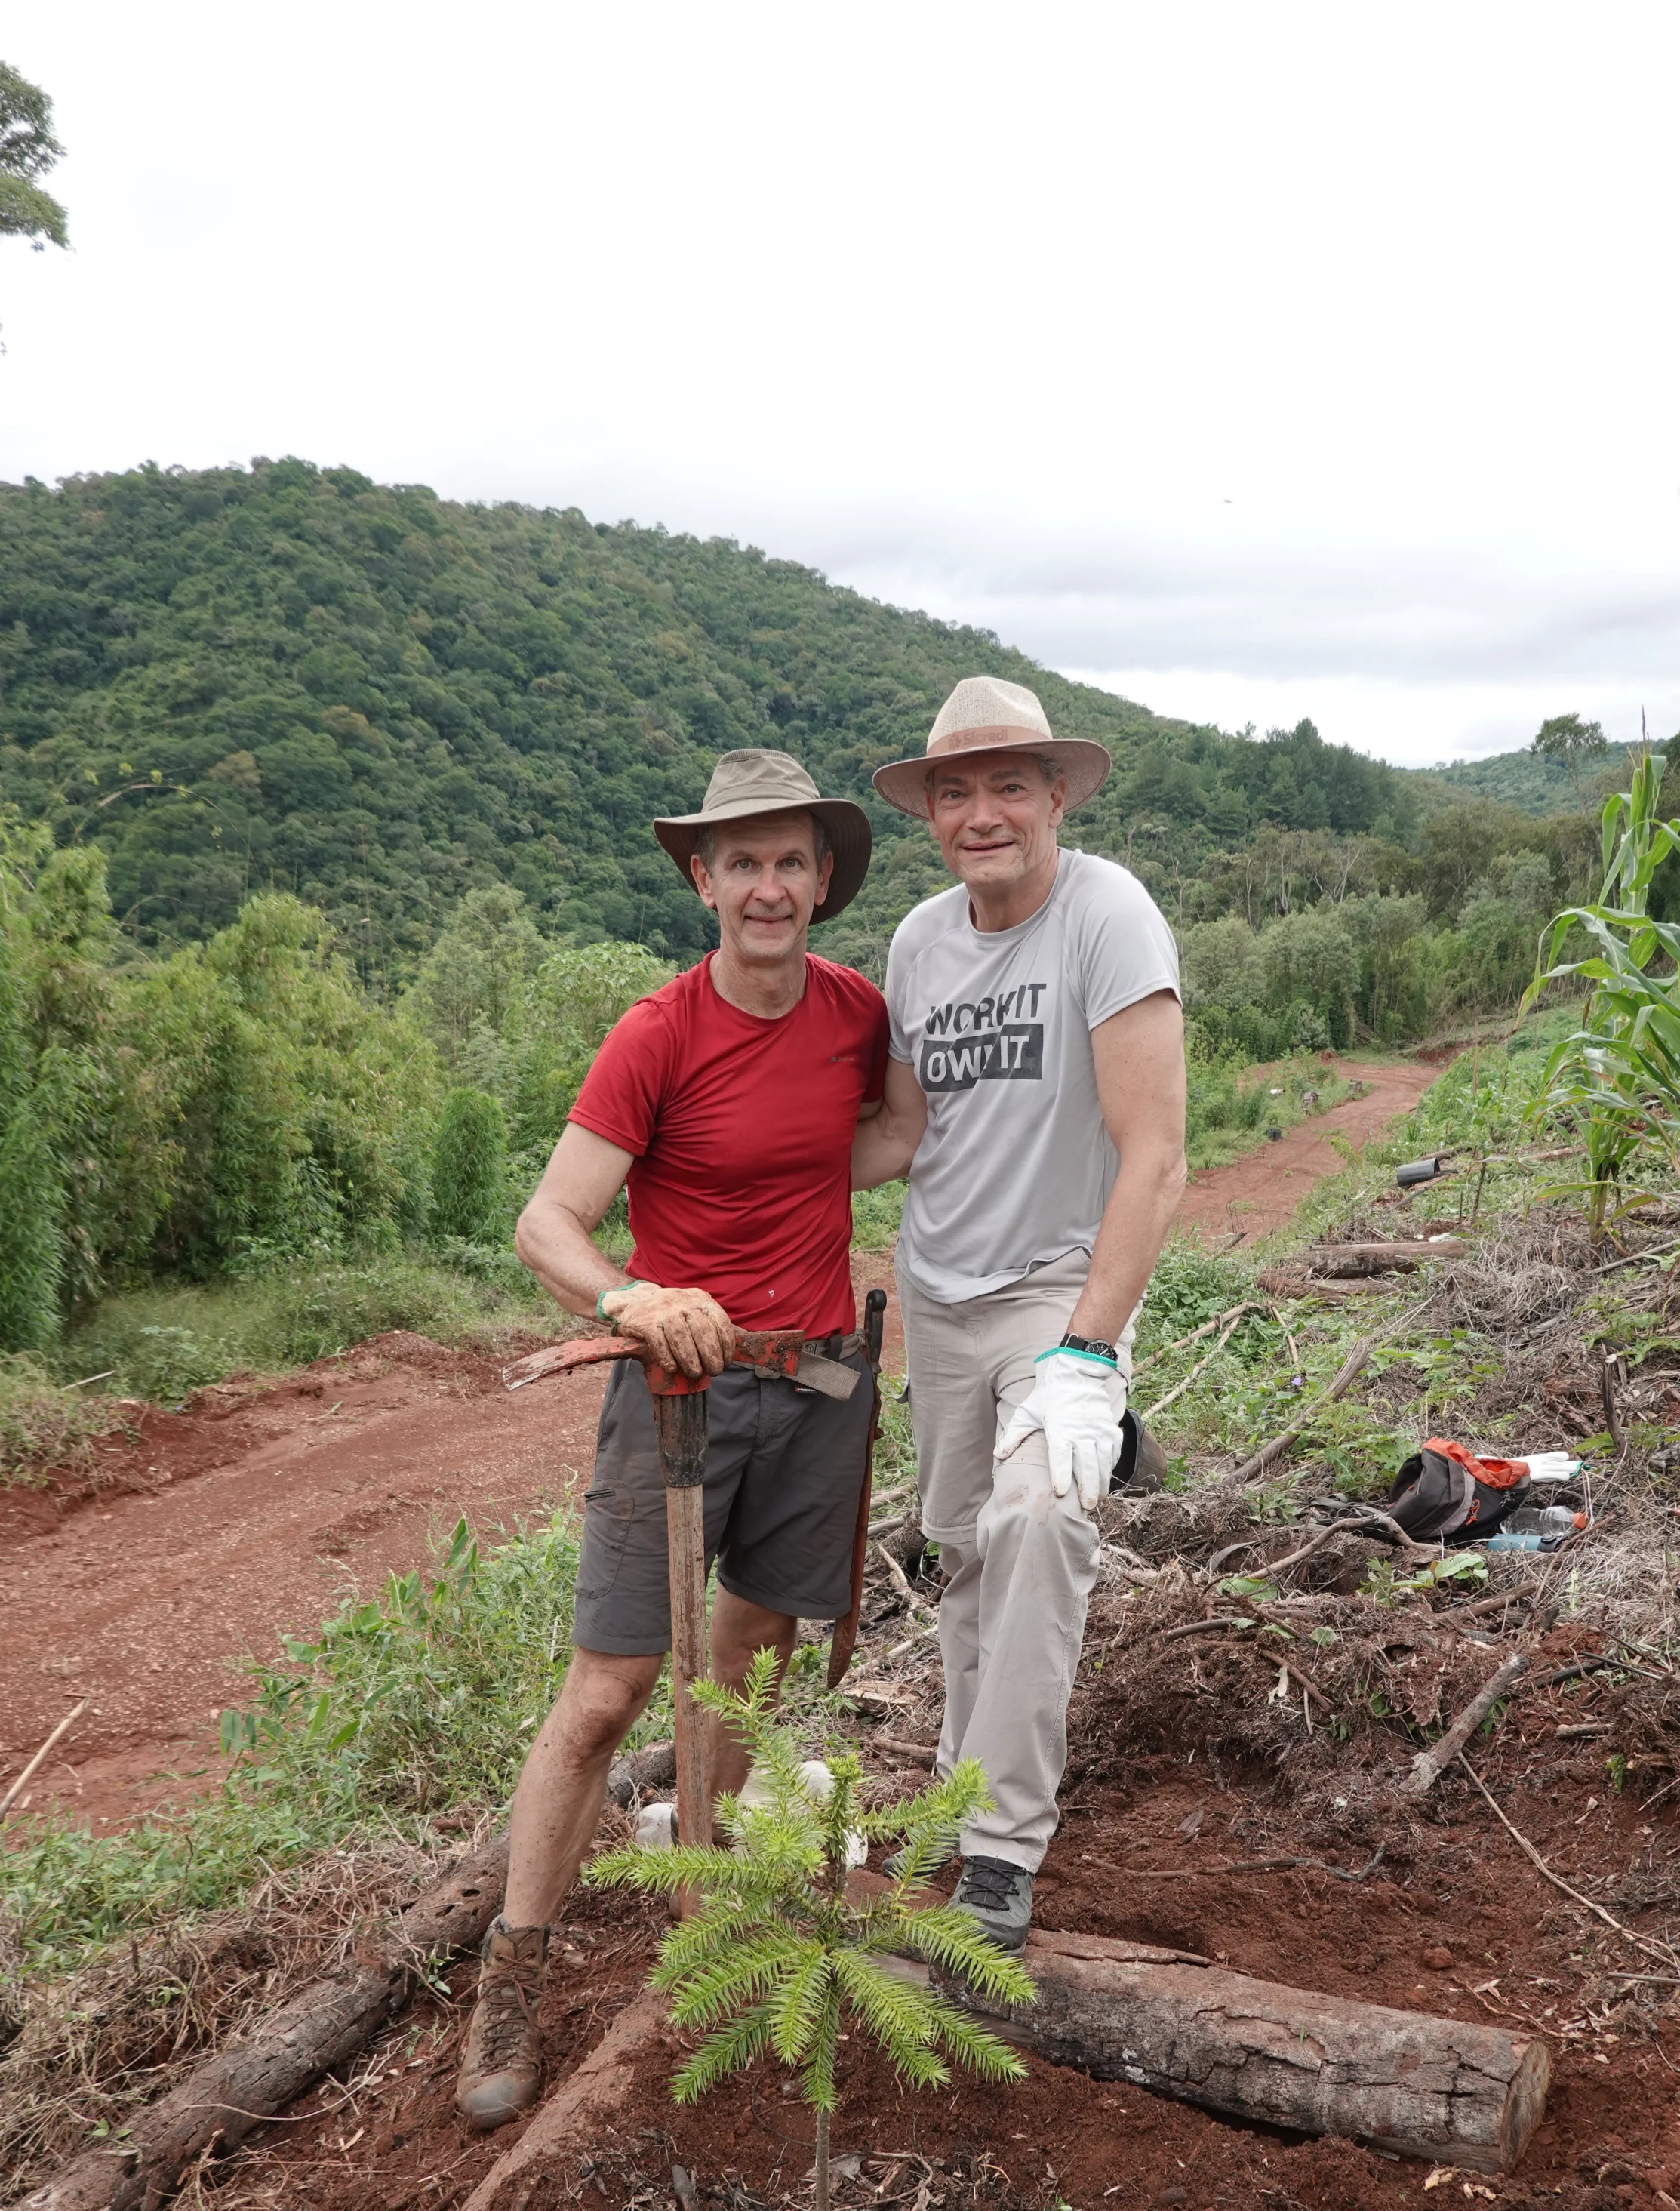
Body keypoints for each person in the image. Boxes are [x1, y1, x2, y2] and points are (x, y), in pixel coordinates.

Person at [457, 748, 889, 2129]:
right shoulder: (657, 1033)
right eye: (743, 863)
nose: (770, 887)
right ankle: (512, 1977)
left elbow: (874, 1143)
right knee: (609, 1691)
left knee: (746, 1667)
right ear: (703, 880)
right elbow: (548, 1224)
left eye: (792, 862)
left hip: (818, 1381)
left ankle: (703, 1916)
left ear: (824, 880)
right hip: (676, 1394)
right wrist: (635, 1294)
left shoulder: (856, 1014)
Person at [853, 677, 1187, 1953]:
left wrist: (1090, 1353)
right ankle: (955, 1786)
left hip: (1060, 1291)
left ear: (1056, 794)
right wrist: (742, 1172)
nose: (980, 812)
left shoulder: (1109, 917)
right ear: (931, 812)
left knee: (1041, 1519)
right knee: (963, 1560)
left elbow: (1153, 1154)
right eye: (955, 791)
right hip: (939, 1297)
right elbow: (900, 1129)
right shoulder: (920, 944)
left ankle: (998, 1849)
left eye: (1007, 785)